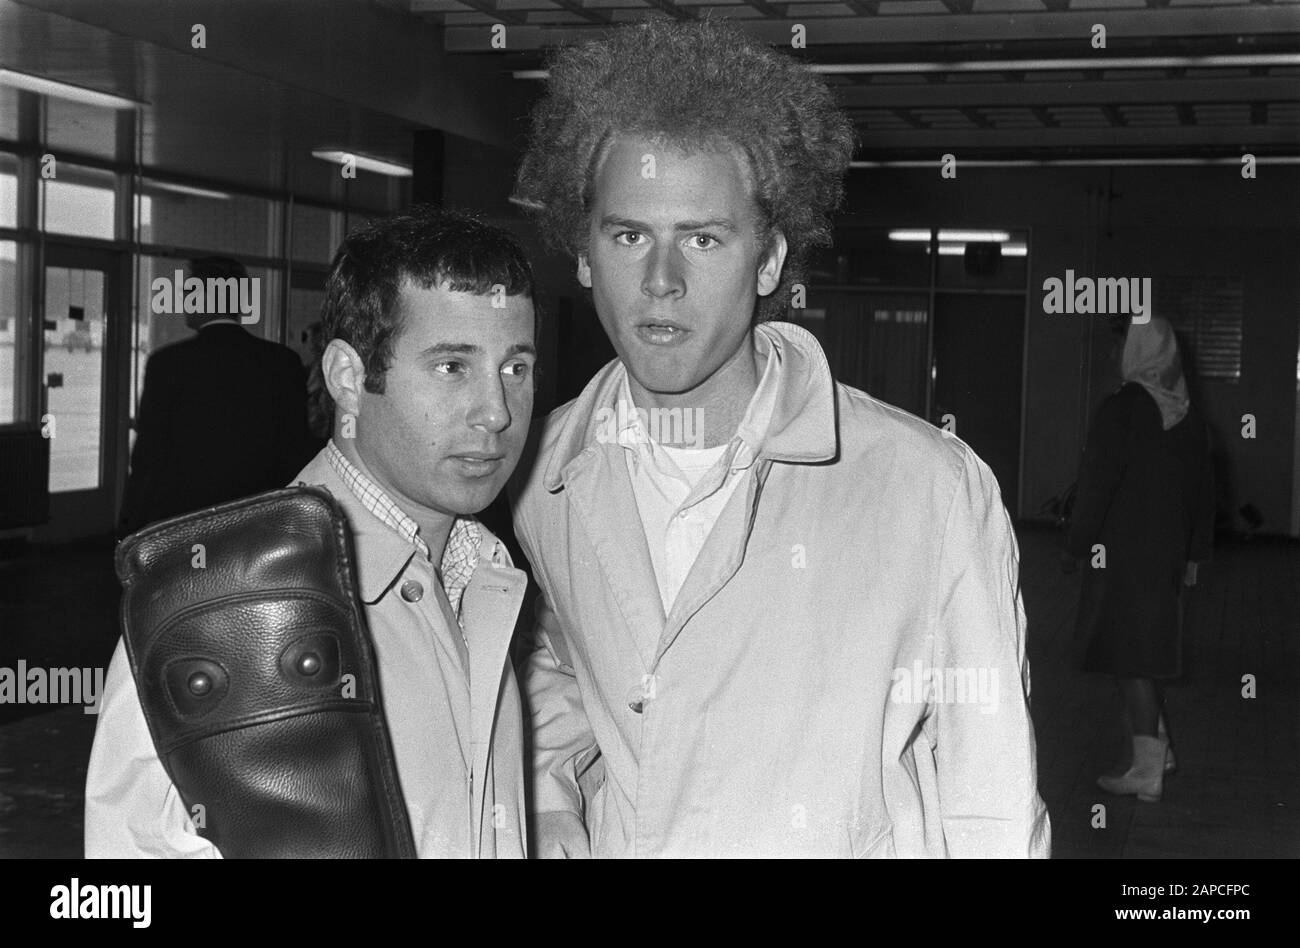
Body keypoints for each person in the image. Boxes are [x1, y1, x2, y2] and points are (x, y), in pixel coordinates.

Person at [508, 19, 1051, 858]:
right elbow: (551, 691)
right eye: (627, 236)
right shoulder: (537, 474)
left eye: (703, 237)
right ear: (582, 254)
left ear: (769, 262)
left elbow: (992, 798)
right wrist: (551, 825)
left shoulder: (926, 487)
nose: (661, 281)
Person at [86, 208, 539, 857]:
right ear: (349, 379)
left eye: (515, 368)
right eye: (451, 367)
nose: (496, 413)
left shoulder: (488, 575)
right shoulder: (205, 613)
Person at [1066, 316, 1214, 803]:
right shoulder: (1188, 413)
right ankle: (1159, 749)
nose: (1113, 355)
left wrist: (1077, 543)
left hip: (1122, 555)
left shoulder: (1123, 407)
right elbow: (1204, 493)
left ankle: (1148, 769)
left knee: (1130, 657)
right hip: (1164, 554)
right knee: (1137, 652)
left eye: (1119, 345)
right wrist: (1193, 555)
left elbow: (1095, 486)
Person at [119, 257, 314, 534]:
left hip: (186, 520)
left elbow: (148, 457)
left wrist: (129, 527)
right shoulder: (283, 362)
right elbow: (296, 451)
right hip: (259, 520)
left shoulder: (168, 363)